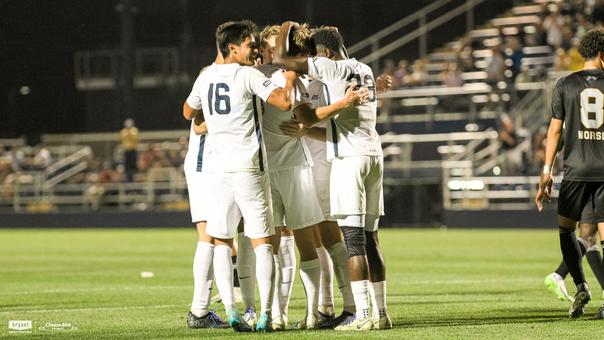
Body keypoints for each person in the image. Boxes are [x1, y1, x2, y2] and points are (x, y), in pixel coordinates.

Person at [273, 22, 390, 331]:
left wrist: (288, 26)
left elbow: (282, 59)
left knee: (352, 242)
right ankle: (381, 314)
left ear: (323, 52)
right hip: (374, 155)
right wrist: (306, 130)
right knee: (370, 240)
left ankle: (361, 315)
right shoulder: (363, 69)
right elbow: (340, 127)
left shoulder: (329, 67)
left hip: (350, 161)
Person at [185, 20, 295, 332]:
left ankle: (232, 312)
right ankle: (265, 315)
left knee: (221, 241)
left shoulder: (206, 77)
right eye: (250, 45)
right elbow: (284, 101)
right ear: (233, 47)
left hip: (218, 171)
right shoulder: (247, 75)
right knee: (262, 243)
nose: (256, 50)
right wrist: (288, 75)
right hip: (249, 168)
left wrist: (214, 117)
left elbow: (187, 112)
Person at [257, 24, 366, 330]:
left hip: (318, 159)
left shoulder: (318, 75)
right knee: (294, 240)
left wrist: (310, 126)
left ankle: (344, 306)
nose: (269, 53)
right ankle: (313, 308)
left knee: (328, 236)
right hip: (288, 162)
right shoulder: (264, 77)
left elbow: (324, 117)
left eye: (275, 47)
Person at [535, 27, 604, 319]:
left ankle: (581, 285)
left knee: (567, 231)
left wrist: (547, 171)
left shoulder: (565, 84)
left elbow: (554, 130)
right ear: (602, 55)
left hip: (575, 171)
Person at [181, 51, 228, 329]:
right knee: (209, 237)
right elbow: (198, 125)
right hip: (204, 166)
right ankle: (199, 310)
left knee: (215, 237)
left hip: (212, 166)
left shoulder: (212, 83)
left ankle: (202, 308)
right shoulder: (207, 83)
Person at [544, 204, 604, 302]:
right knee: (588, 235)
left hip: (590, 193)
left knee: (590, 239)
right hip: (594, 192)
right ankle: (558, 275)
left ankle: (558, 275)